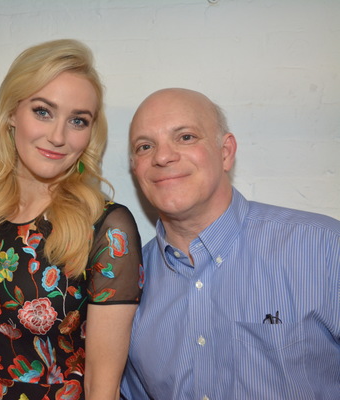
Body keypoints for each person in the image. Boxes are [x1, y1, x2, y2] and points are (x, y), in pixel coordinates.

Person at [0, 39, 143, 400]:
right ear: (11, 113)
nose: (58, 136)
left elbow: (103, 386)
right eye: (43, 111)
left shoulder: (107, 227)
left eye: (77, 120)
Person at [120, 88, 340, 399]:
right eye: (145, 146)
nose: (163, 156)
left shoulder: (324, 249)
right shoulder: (128, 286)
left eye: (185, 137)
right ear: (135, 168)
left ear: (226, 152)